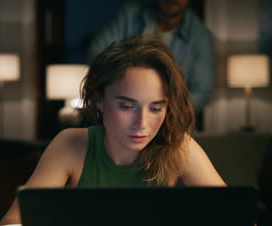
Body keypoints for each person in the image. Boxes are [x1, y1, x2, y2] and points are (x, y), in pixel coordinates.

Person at [0, 36, 261, 226]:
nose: (142, 123)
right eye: (126, 106)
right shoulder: (69, 146)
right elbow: (11, 225)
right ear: (99, 100)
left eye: (156, 107)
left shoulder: (179, 147)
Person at [88, 0, 214, 129]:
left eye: (155, 107)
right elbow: (97, 53)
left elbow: (202, 92)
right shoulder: (131, 13)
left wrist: (164, 113)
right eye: (126, 106)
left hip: (171, 126)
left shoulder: (200, 35)